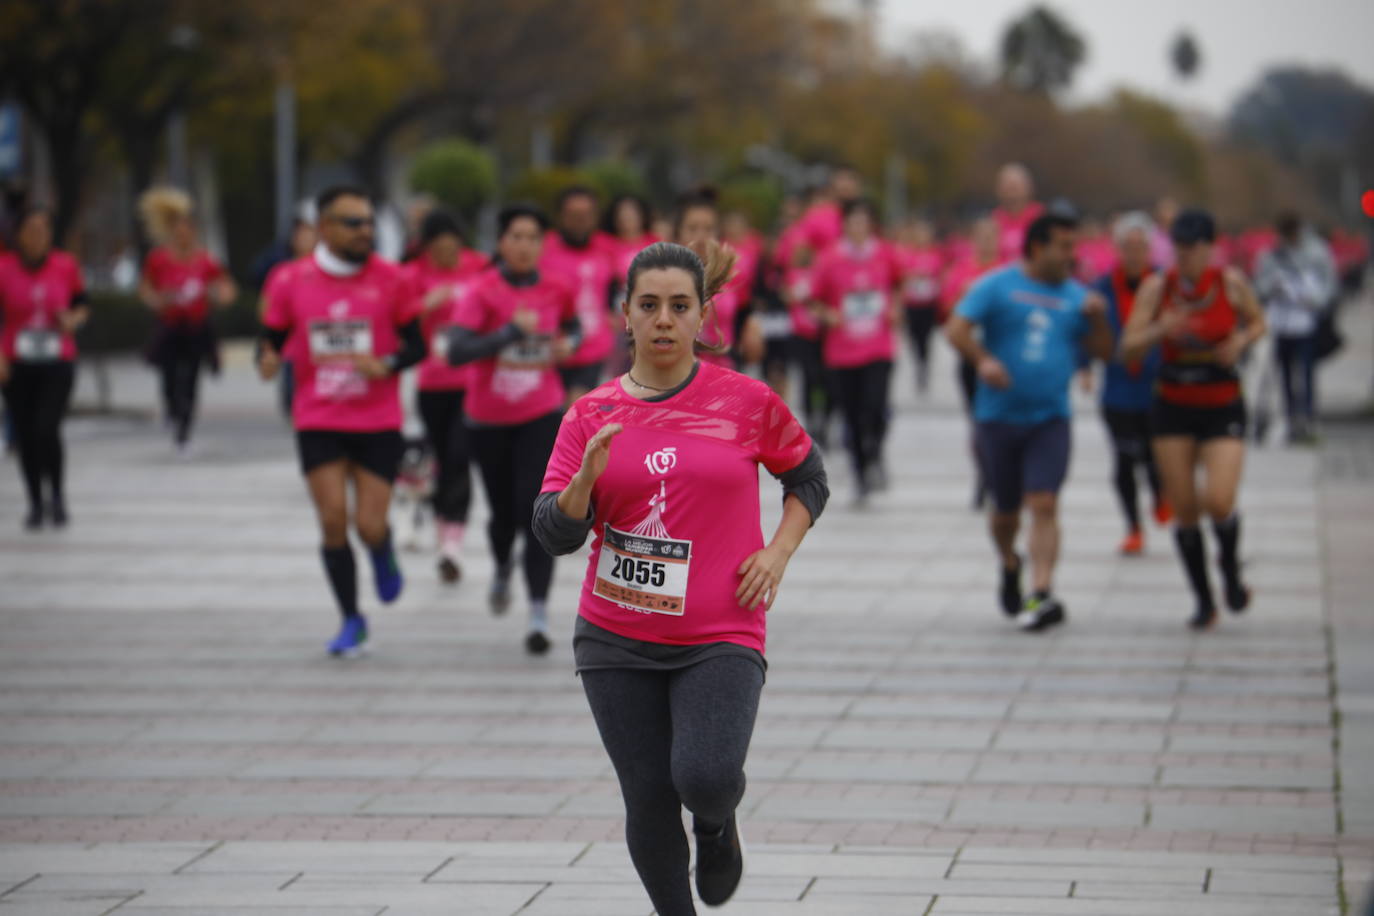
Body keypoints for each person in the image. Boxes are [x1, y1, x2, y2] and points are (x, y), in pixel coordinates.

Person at [533, 240, 828, 915]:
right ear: (625, 317)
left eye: (678, 306)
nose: (663, 319)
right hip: (615, 634)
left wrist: (777, 552)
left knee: (705, 775)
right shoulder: (590, 414)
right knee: (648, 796)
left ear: (703, 317)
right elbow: (554, 532)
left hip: (721, 626)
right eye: (648, 306)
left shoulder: (748, 403)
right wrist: (583, 484)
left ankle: (718, 825)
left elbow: (809, 480)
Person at [258, 185, 425, 656]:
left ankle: (382, 548)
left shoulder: (393, 279)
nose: (365, 231)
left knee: (368, 526)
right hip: (318, 417)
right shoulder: (290, 280)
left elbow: (417, 345)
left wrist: (387, 364)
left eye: (368, 221)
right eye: (353, 223)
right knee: (333, 520)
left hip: (376, 419)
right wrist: (267, 360)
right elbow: (270, 339)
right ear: (324, 228)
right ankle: (352, 619)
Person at [945, 210, 1114, 631]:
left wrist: (1097, 319)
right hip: (997, 418)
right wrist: (983, 361)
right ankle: (1009, 560)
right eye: (1064, 247)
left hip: (1050, 419)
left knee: (1045, 502)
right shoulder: (998, 285)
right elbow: (957, 329)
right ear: (1038, 247)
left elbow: (1105, 351)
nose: (1072, 255)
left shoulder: (1078, 296)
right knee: (1005, 514)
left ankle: (1041, 590)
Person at [443, 203, 581, 655]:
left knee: (536, 508)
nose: (525, 245)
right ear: (501, 242)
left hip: (541, 413)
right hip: (488, 418)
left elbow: (574, 326)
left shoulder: (557, 287)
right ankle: (503, 564)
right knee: (503, 513)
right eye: (516, 236)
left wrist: (568, 344)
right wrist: (507, 334)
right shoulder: (481, 290)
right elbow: (456, 350)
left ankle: (538, 611)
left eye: (533, 237)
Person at [1121, 208, 1267, 630]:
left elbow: (1259, 323)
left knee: (1218, 500)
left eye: (1192, 250)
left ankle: (1231, 573)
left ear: (1210, 248)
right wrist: (1159, 330)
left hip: (1222, 402)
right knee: (1184, 509)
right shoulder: (1157, 287)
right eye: (1178, 250)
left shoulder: (1230, 283)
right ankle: (1203, 600)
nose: (1184, 259)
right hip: (1173, 404)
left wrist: (1239, 340)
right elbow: (1128, 348)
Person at [406, 209, 490, 583]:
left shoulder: (480, 267)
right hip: (430, 384)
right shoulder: (413, 273)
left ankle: (452, 544)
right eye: (437, 249)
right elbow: (396, 318)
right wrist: (425, 304)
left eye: (451, 247)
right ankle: (443, 531)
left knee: (459, 457)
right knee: (439, 459)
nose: (445, 255)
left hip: (471, 383)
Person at [0, 208, 89, 530]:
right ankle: (35, 501)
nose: (37, 236)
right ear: (19, 234)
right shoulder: (4, 268)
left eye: (43, 229)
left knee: (46, 428)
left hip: (57, 359)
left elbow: (82, 304)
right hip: (17, 362)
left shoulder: (65, 266)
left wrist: (73, 320)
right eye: (31, 229)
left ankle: (58, 496)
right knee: (25, 434)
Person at [809, 198, 902, 504]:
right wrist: (828, 316)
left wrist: (896, 307)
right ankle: (861, 471)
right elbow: (813, 300)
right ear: (845, 226)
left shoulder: (885, 254)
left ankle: (875, 451)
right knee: (851, 413)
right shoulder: (829, 259)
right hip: (842, 350)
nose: (859, 229)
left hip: (879, 346)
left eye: (865, 222)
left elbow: (900, 284)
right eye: (853, 222)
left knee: (875, 406)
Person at [1089, 212, 1170, 555]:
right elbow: (1087, 331)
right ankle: (1133, 527)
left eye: (1140, 246)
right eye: (1127, 247)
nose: (1134, 253)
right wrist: (1082, 367)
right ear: (1117, 249)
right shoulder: (1102, 289)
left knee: (1156, 455)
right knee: (1123, 459)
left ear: (1151, 249)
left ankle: (1160, 494)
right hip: (1119, 387)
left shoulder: (1165, 285)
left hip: (1157, 385)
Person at [138, 188, 236, 455]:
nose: (183, 234)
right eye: (178, 229)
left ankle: (185, 427)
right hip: (170, 327)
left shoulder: (206, 261)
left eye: (187, 229)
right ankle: (171, 410)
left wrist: (219, 296)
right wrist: (158, 300)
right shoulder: (158, 259)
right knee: (169, 376)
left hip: (196, 327)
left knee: (192, 378)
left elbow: (226, 288)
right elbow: (146, 289)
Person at [1253, 212, 1337, 444]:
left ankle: (1307, 416)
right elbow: (1259, 286)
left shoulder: (1317, 252)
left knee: (1307, 372)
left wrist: (1315, 300)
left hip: (1306, 323)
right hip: (1281, 324)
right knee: (1285, 374)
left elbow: (1329, 283)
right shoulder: (1271, 254)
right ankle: (1291, 418)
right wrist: (1274, 286)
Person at [942, 218, 1003, 510]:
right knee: (978, 420)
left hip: (1002, 357)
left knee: (1001, 420)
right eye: (982, 236)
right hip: (971, 356)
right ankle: (984, 476)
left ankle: (1000, 475)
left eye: (992, 236)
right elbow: (947, 313)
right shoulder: (962, 271)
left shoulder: (1007, 271)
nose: (987, 241)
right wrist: (964, 299)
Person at [541, 186, 616, 403]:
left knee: (577, 407)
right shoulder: (544, 248)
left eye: (586, 215)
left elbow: (618, 282)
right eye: (573, 215)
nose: (580, 221)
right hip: (552, 350)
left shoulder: (606, 247)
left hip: (594, 348)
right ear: (561, 217)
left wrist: (613, 309)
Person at [674, 189, 763, 368]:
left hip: (723, 370)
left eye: (708, 229)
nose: (700, 237)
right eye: (692, 228)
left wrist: (752, 328)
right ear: (678, 233)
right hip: (678, 372)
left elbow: (744, 315)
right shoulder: (664, 277)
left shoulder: (729, 275)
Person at [894, 218, 945, 395]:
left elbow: (941, 277)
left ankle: (924, 365)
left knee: (926, 338)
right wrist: (914, 276)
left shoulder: (936, 255)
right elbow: (901, 277)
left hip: (928, 304)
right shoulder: (908, 255)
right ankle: (918, 362)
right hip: (912, 304)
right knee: (914, 338)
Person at [991, 163, 1044, 264]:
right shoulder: (993, 221)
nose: (1011, 194)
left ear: (1028, 188)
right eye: (1007, 188)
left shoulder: (1040, 218)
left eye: (1015, 188)